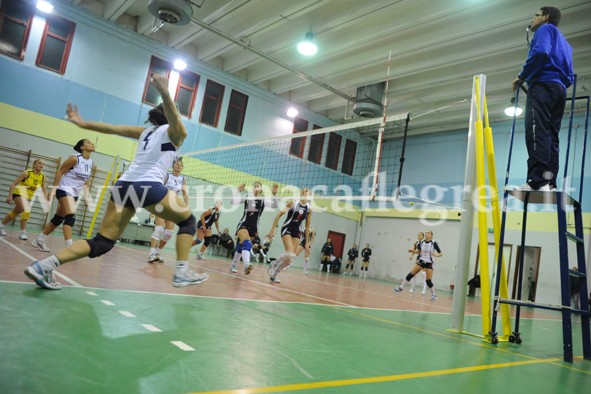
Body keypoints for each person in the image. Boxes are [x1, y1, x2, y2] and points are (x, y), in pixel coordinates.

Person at [24, 74, 208, 289]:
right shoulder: (176, 133)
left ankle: (44, 266)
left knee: (102, 242)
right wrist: (165, 91)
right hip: (147, 186)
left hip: (123, 187)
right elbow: (173, 117)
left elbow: (112, 128)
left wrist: (83, 124)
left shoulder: (145, 132)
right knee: (187, 222)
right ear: (172, 114)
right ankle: (182, 272)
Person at [512, 6, 574, 191]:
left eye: (536, 15)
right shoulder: (565, 43)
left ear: (546, 17)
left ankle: (538, 181)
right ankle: (550, 182)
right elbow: (570, 74)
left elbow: (540, 53)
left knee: (536, 130)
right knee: (551, 136)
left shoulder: (545, 30)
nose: (533, 19)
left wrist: (522, 76)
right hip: (559, 90)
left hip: (542, 86)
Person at [32, 140, 96, 252]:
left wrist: (87, 197)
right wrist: (53, 190)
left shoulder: (90, 162)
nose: (92, 144)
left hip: (75, 193)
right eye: (89, 142)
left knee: (58, 219)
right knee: (70, 216)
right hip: (64, 189)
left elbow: (85, 181)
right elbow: (60, 171)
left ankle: (39, 239)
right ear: (82, 147)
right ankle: (69, 247)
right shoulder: (75, 159)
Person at [230, 181, 278, 274]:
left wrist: (275, 194)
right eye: (254, 186)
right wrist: (238, 191)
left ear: (260, 189)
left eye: (258, 186)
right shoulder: (247, 197)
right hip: (243, 223)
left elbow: (275, 205)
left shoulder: (263, 200)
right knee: (247, 243)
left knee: (241, 246)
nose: (256, 187)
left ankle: (234, 264)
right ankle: (246, 265)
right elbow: (232, 201)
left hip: (254, 227)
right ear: (252, 188)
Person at [266, 188, 312, 283]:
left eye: (306, 190)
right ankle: (274, 263)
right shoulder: (293, 203)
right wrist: (272, 231)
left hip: (297, 232)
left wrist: (307, 243)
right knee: (290, 254)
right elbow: (278, 215)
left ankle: (274, 275)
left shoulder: (309, 208)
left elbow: (307, 226)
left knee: (289, 259)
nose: (304, 191)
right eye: (303, 190)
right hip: (287, 227)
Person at [147, 158, 189, 263]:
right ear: (173, 166)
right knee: (159, 229)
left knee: (169, 233)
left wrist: (186, 207)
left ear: (182, 168)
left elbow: (185, 194)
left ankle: (156, 253)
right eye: (177, 164)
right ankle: (151, 254)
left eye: (181, 165)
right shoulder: (167, 176)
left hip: (173, 207)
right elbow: (157, 187)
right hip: (161, 203)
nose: (179, 166)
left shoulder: (183, 179)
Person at [0, 159, 49, 240]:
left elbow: (44, 189)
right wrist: (10, 196)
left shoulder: (42, 176)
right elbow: (13, 184)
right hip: (19, 193)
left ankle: (1, 226)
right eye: (39, 163)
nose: (41, 165)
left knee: (14, 213)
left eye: (43, 164)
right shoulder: (27, 173)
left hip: (29, 197)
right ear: (34, 165)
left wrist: (46, 200)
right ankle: (23, 232)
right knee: (26, 210)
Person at [394, 230, 442, 301]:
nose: (426, 234)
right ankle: (401, 288)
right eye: (426, 233)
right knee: (411, 274)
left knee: (428, 281)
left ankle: (434, 295)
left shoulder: (434, 243)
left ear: (431, 235)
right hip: (421, 261)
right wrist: (413, 251)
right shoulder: (421, 242)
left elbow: (441, 253)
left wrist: (436, 255)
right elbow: (419, 251)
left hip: (429, 263)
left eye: (428, 233)